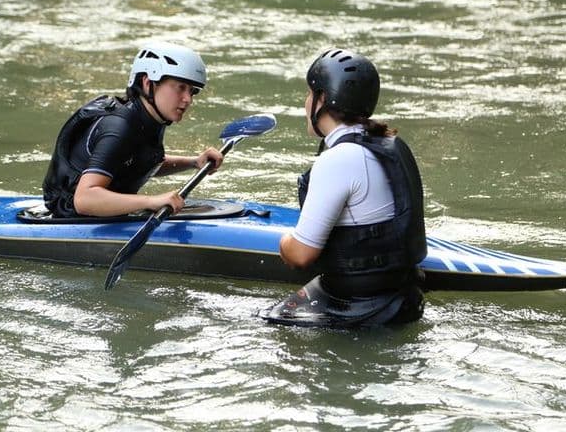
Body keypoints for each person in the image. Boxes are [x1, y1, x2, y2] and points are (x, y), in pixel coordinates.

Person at [261, 48, 427, 328]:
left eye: (309, 94)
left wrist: (284, 242)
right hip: (403, 295)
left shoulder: (338, 159)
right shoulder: (388, 144)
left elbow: (301, 254)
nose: (305, 102)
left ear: (322, 99)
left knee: (264, 325)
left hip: (359, 306)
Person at [43, 41, 224, 218]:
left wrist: (193, 162)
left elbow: (137, 161)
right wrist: (150, 201)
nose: (188, 99)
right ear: (148, 83)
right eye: (180, 88)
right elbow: (84, 199)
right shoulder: (119, 127)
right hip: (72, 217)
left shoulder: (148, 118)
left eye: (192, 91)